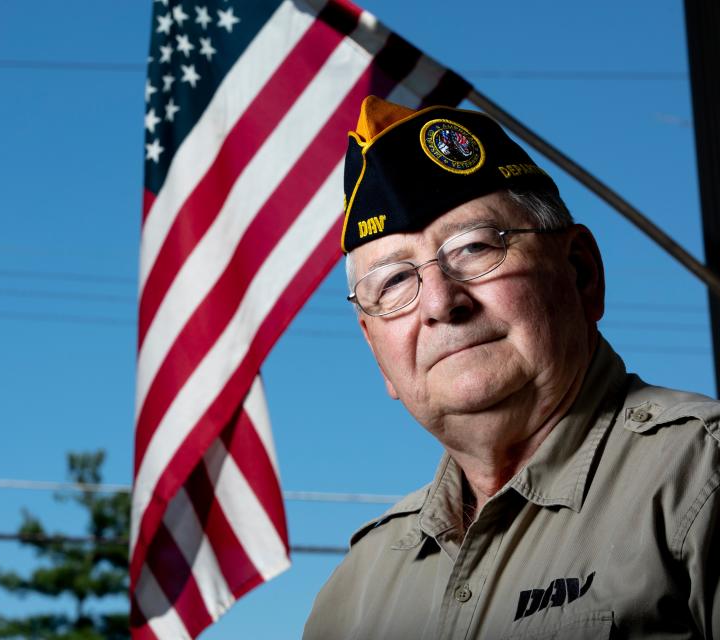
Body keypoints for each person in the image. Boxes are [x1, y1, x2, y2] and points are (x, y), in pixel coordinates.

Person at [302, 96, 720, 639]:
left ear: (580, 272)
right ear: (376, 351)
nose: (439, 303)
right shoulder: (356, 589)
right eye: (394, 283)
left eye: (475, 248)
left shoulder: (701, 477)